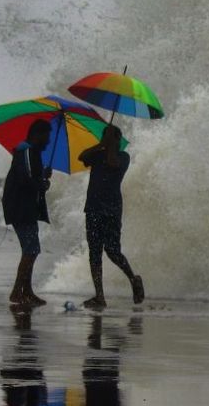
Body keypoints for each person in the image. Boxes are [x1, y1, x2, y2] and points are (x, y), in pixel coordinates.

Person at [78, 125, 144, 308]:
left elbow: (114, 163)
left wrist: (110, 146)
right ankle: (100, 296)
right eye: (105, 136)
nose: (107, 140)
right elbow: (82, 157)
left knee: (112, 251)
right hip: (93, 208)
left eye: (111, 137)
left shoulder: (124, 157)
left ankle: (133, 278)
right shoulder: (98, 155)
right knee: (94, 252)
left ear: (118, 139)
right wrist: (100, 144)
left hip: (111, 211)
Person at [1, 119, 52, 306]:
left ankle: (27, 291)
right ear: (37, 135)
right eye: (46, 136)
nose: (48, 141)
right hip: (21, 208)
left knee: (31, 249)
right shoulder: (28, 151)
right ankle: (16, 292)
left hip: (24, 207)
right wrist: (41, 182)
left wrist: (43, 178)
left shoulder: (30, 152)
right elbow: (26, 179)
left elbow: (31, 178)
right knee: (31, 250)